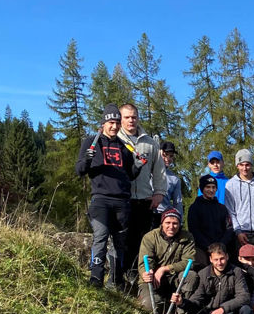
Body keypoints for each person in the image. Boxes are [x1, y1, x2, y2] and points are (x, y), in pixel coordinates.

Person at [75, 104, 138, 289]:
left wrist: (139, 165)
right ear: (103, 123)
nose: (114, 126)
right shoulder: (91, 142)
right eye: (111, 122)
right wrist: (87, 158)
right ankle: (96, 278)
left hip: (122, 202)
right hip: (100, 200)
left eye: (117, 123)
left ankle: (117, 280)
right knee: (101, 237)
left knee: (120, 243)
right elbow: (79, 170)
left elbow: (130, 174)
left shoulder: (124, 147)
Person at [118, 104, 167, 276]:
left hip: (145, 199)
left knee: (142, 241)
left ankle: (138, 276)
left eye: (134, 117)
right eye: (127, 117)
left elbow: (159, 170)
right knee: (123, 240)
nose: (131, 120)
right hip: (123, 199)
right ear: (120, 119)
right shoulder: (116, 139)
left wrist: (159, 193)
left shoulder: (150, 143)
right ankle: (121, 275)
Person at [174, 243, 251, 314]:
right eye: (216, 259)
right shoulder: (203, 274)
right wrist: (182, 302)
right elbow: (197, 299)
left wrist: (223, 308)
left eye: (222, 258)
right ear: (210, 259)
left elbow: (244, 296)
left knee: (245, 310)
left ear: (227, 256)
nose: (219, 263)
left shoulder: (237, 272)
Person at [137, 208, 196, 314]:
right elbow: (145, 261)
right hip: (152, 279)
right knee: (150, 306)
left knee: (191, 275)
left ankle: (182, 312)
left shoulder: (187, 237)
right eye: (168, 223)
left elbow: (189, 262)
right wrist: (146, 273)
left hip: (174, 278)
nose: (171, 227)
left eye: (175, 223)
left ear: (179, 224)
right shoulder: (150, 237)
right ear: (162, 223)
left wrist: (165, 269)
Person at [187, 175, 234, 268]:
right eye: (208, 187)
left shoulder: (222, 208)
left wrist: (221, 244)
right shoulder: (195, 208)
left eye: (213, 187)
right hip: (203, 249)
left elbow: (229, 228)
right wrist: (209, 247)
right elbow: (194, 230)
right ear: (202, 189)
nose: (211, 190)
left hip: (221, 247)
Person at [156, 141, 184, 216]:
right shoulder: (147, 171)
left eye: (171, 156)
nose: (167, 158)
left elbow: (178, 202)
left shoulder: (174, 179)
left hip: (164, 215)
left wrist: (179, 220)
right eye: (165, 155)